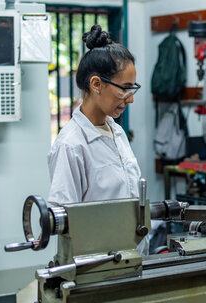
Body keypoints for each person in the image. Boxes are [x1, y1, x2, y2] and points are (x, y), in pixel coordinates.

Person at [47, 25, 141, 205]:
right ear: (96, 84)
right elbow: (67, 218)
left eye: (132, 89)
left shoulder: (118, 133)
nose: (130, 100)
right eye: (124, 89)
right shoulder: (71, 145)